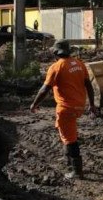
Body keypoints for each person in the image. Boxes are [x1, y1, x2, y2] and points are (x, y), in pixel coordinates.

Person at [29, 40, 97, 179]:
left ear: (55, 52)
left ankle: (77, 172)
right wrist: (92, 104)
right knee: (68, 134)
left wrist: (34, 104)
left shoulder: (56, 67)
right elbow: (88, 85)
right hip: (79, 106)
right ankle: (69, 161)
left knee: (70, 139)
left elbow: (44, 89)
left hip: (66, 108)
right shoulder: (79, 63)